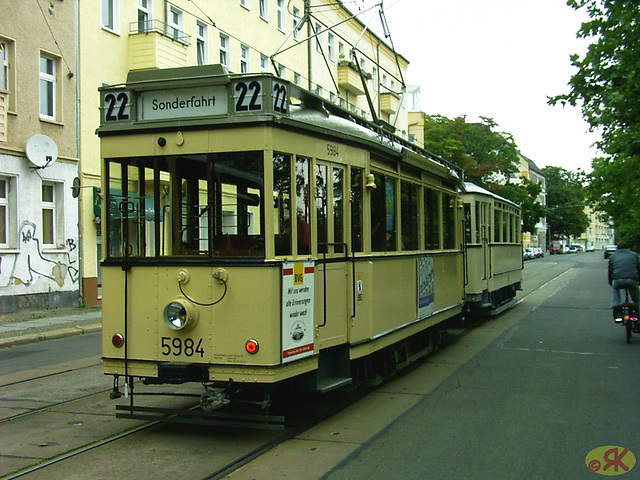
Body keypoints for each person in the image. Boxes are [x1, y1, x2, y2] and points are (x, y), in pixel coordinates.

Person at [608, 241, 640, 314]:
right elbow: (638, 268)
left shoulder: (613, 256)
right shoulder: (634, 255)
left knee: (615, 290)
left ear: (617, 248)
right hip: (632, 280)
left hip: (618, 280)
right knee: (637, 299)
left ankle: (616, 306)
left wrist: (611, 282)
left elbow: (610, 271)